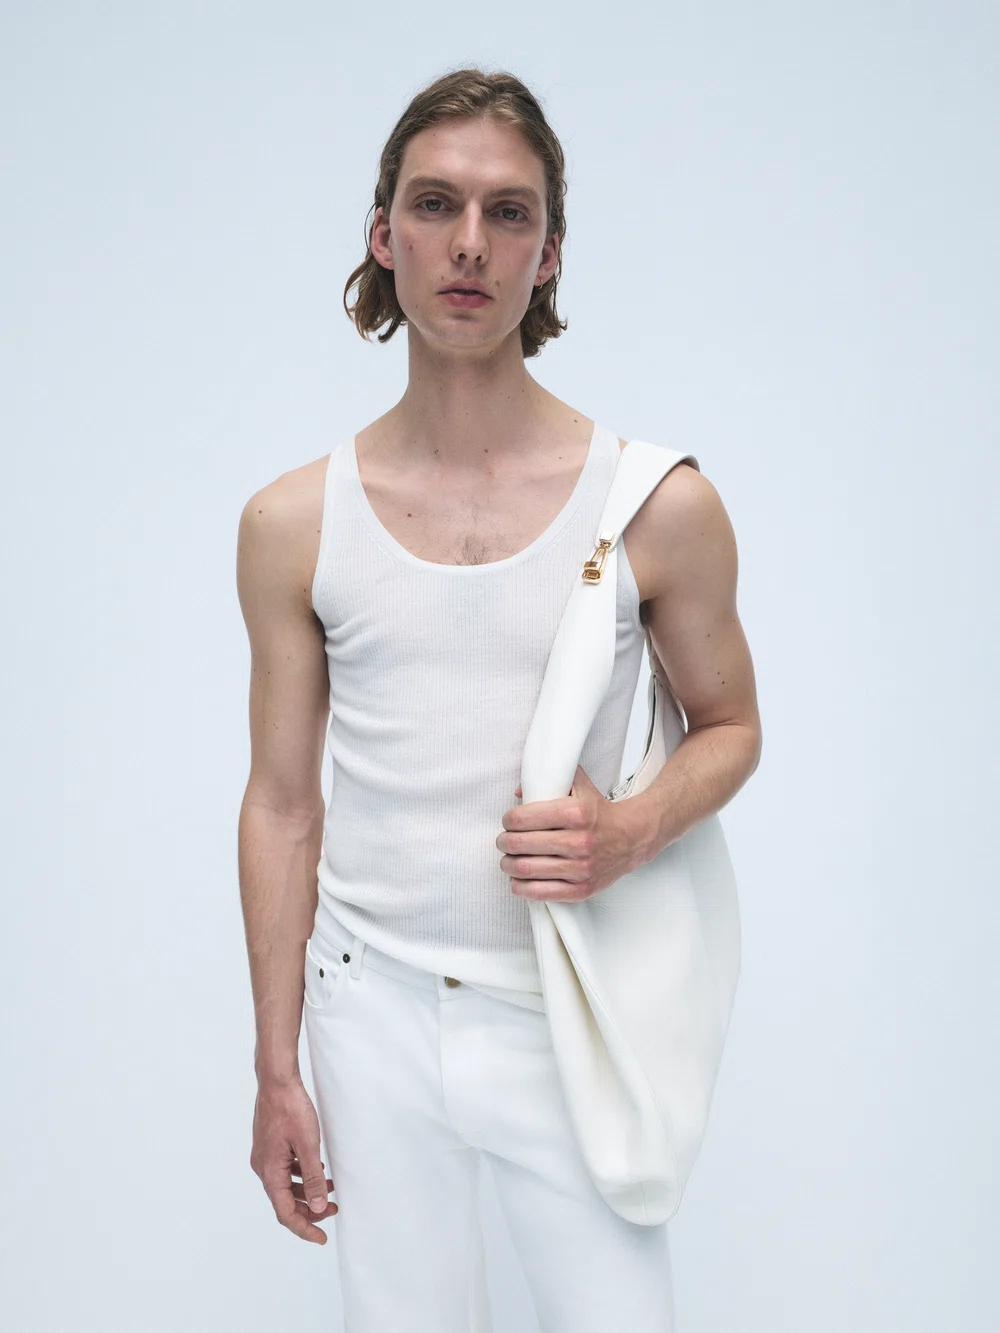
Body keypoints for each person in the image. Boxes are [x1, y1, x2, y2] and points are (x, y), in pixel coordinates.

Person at [235, 66, 761, 1333]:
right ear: (384, 237)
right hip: (367, 1004)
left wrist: (628, 829)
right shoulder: (293, 521)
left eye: (507, 212)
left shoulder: (655, 504)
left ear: (549, 254)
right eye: (435, 205)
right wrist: (275, 1063)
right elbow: (283, 804)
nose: (468, 242)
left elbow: (733, 726)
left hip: (566, 1006)